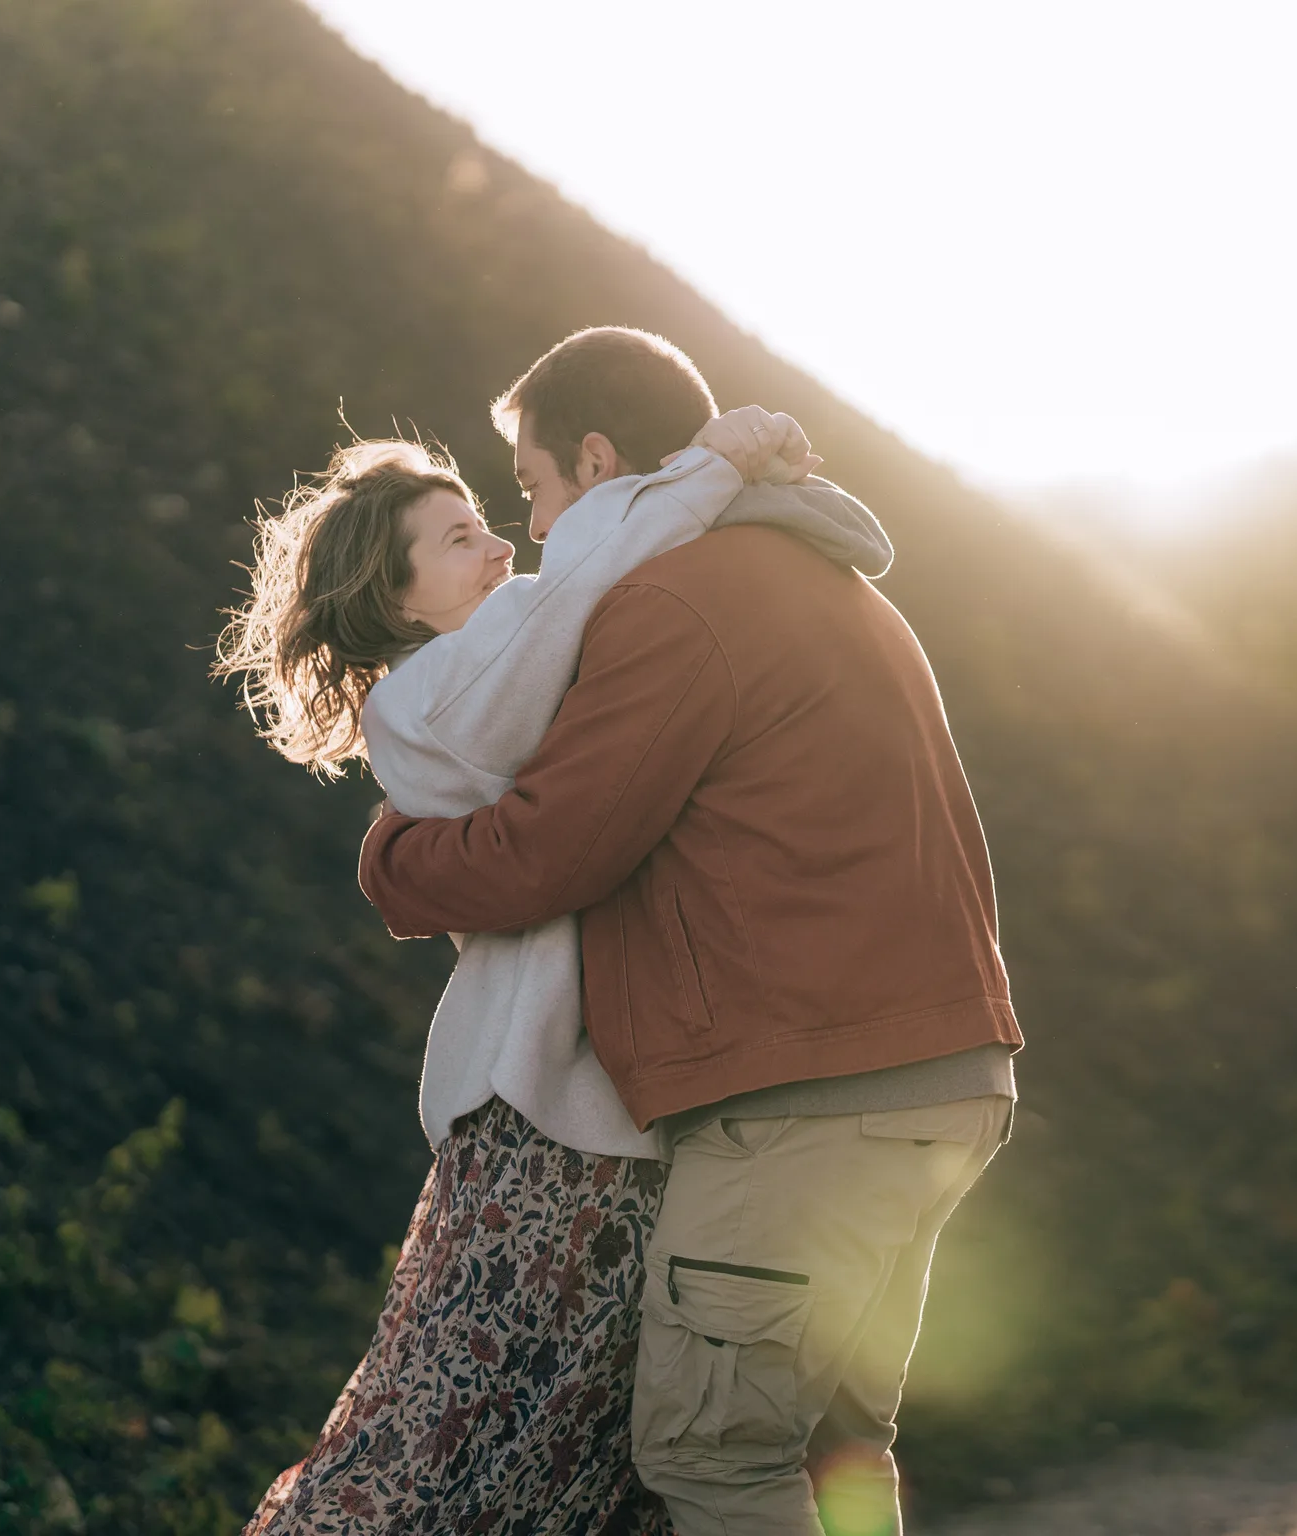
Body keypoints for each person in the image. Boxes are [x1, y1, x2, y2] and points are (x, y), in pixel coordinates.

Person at [359, 327, 1024, 1536]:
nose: (537, 537)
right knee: (832, 1450)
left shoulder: (674, 599)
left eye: (536, 491)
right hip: (942, 1078)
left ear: (599, 460)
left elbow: (554, 847)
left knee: (709, 1452)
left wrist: (396, 862)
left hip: (812, 1099)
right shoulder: (833, 584)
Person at [216, 393, 884, 1534]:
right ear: (394, 599)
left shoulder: (519, 642)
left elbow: (632, 568)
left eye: (489, 515)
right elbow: (592, 577)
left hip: (608, 1121)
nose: (502, 544)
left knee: (586, 1442)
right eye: (459, 538)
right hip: (540, 1126)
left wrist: (768, 483)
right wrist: (716, 462)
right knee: (445, 1430)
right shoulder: (434, 695)